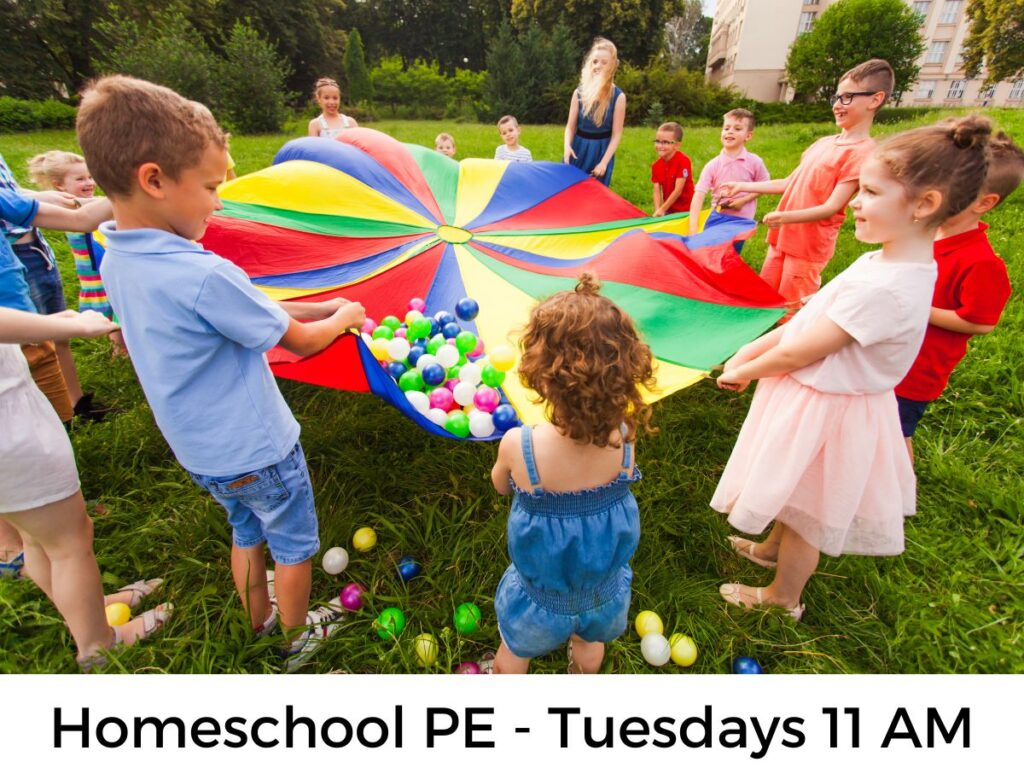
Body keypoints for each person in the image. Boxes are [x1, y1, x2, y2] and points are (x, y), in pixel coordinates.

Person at [77, 75, 367, 670]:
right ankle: (293, 639)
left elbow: (249, 312)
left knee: (245, 530)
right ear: (154, 180)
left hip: (204, 453)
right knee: (293, 546)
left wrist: (316, 303)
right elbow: (305, 343)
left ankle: (254, 619)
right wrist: (341, 315)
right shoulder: (204, 274)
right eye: (210, 186)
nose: (218, 201)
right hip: (261, 447)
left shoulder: (118, 256)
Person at [711, 116, 993, 620]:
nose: (855, 203)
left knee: (808, 514)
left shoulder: (888, 286)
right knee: (792, 493)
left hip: (830, 413)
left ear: (924, 205)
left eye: (869, 193)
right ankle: (772, 547)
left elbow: (805, 349)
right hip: (821, 398)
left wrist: (747, 367)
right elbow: (812, 318)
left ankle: (782, 597)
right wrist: (751, 353)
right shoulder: (888, 262)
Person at [490, 273, 655, 673]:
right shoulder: (624, 438)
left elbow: (499, 486)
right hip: (604, 593)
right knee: (589, 644)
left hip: (540, 599)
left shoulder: (520, 445)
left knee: (514, 653)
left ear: (543, 378)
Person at [0, 174, 114, 582]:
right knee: (67, 541)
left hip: (20, 334)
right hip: (14, 349)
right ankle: (97, 639)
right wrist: (63, 328)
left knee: (42, 535)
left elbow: (76, 216)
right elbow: (83, 219)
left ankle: (25, 537)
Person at [718, 59, 894, 317]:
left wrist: (784, 216)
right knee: (765, 300)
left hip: (808, 247)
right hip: (782, 239)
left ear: (874, 99)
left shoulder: (862, 152)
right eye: (837, 96)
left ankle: (787, 351)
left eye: (847, 98)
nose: (837, 104)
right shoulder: (823, 143)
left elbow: (832, 206)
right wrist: (742, 185)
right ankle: (761, 345)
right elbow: (789, 183)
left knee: (791, 308)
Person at [894, 131, 1022, 459]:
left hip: (916, 372)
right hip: (889, 355)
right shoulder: (924, 235)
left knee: (894, 434)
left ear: (984, 202)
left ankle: (899, 495)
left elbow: (979, 323)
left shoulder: (981, 263)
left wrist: (918, 308)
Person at [1, 153, 112, 419]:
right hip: (14, 317)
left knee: (47, 352)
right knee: (31, 361)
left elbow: (81, 218)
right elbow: (80, 220)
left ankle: (70, 410)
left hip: (34, 262)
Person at [27, 151, 124, 355]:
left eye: (90, 177)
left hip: (102, 269)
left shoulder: (85, 204)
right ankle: (119, 347)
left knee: (117, 310)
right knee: (114, 310)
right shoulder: (72, 210)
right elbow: (86, 216)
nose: (89, 182)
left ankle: (120, 348)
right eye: (80, 179)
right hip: (95, 274)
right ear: (60, 186)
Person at [688, 108, 770, 235]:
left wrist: (743, 200)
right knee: (715, 252)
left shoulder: (755, 162)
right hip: (717, 219)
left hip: (742, 221)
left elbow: (765, 185)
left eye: (737, 129)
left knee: (733, 253)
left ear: (748, 136)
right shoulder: (712, 165)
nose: (730, 131)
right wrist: (693, 226)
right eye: (726, 128)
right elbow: (699, 195)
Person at [563, 37, 626, 186]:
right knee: (570, 191)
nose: (598, 66)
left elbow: (616, 134)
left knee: (595, 196)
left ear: (612, 66)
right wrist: (567, 147)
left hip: (601, 151)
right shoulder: (578, 93)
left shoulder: (619, 97)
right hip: (577, 149)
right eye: (595, 61)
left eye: (604, 63)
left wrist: (604, 162)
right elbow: (570, 127)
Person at [650, 122, 694, 217]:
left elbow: (678, 190)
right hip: (669, 210)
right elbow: (657, 190)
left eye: (665, 142)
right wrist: (658, 209)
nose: (660, 145)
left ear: (677, 145)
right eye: (657, 141)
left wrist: (662, 209)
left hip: (687, 210)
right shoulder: (656, 166)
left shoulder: (683, 161)